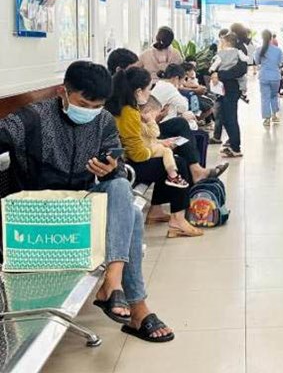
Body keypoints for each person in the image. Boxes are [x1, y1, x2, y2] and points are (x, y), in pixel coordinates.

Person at [0, 61, 174, 342]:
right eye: (84, 104)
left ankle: (113, 281)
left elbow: (117, 165)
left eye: (97, 106)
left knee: (119, 185)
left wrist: (110, 169)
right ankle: (137, 308)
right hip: (39, 212)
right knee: (130, 216)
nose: (90, 111)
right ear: (63, 92)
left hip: (81, 206)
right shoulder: (33, 118)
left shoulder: (103, 121)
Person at [106, 66, 203, 239]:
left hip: (126, 160)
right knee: (178, 164)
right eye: (148, 88)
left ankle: (158, 211)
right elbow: (138, 155)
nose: (150, 93)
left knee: (170, 161)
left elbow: (138, 141)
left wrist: (158, 144)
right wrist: (158, 150)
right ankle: (178, 220)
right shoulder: (129, 113)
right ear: (138, 91)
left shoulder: (124, 108)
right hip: (128, 166)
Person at [140, 98, 189, 189]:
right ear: (147, 112)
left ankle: (173, 175)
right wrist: (151, 121)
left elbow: (151, 139)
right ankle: (172, 175)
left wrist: (163, 142)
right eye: (154, 115)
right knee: (167, 151)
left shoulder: (143, 124)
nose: (155, 118)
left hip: (147, 147)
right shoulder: (141, 124)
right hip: (144, 150)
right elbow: (155, 133)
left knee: (167, 150)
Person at [255, 29, 283, 126]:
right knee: (274, 96)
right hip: (275, 77)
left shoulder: (259, 50)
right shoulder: (278, 50)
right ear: (271, 37)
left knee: (265, 97)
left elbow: (257, 62)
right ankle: (274, 115)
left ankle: (267, 119)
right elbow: (280, 62)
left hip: (264, 76)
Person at [210, 33, 249, 103]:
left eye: (223, 42)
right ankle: (243, 91)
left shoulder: (221, 52)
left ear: (227, 43)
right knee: (243, 79)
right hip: (231, 79)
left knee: (228, 104)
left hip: (226, 78)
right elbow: (245, 59)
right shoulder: (238, 51)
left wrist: (212, 70)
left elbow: (216, 62)